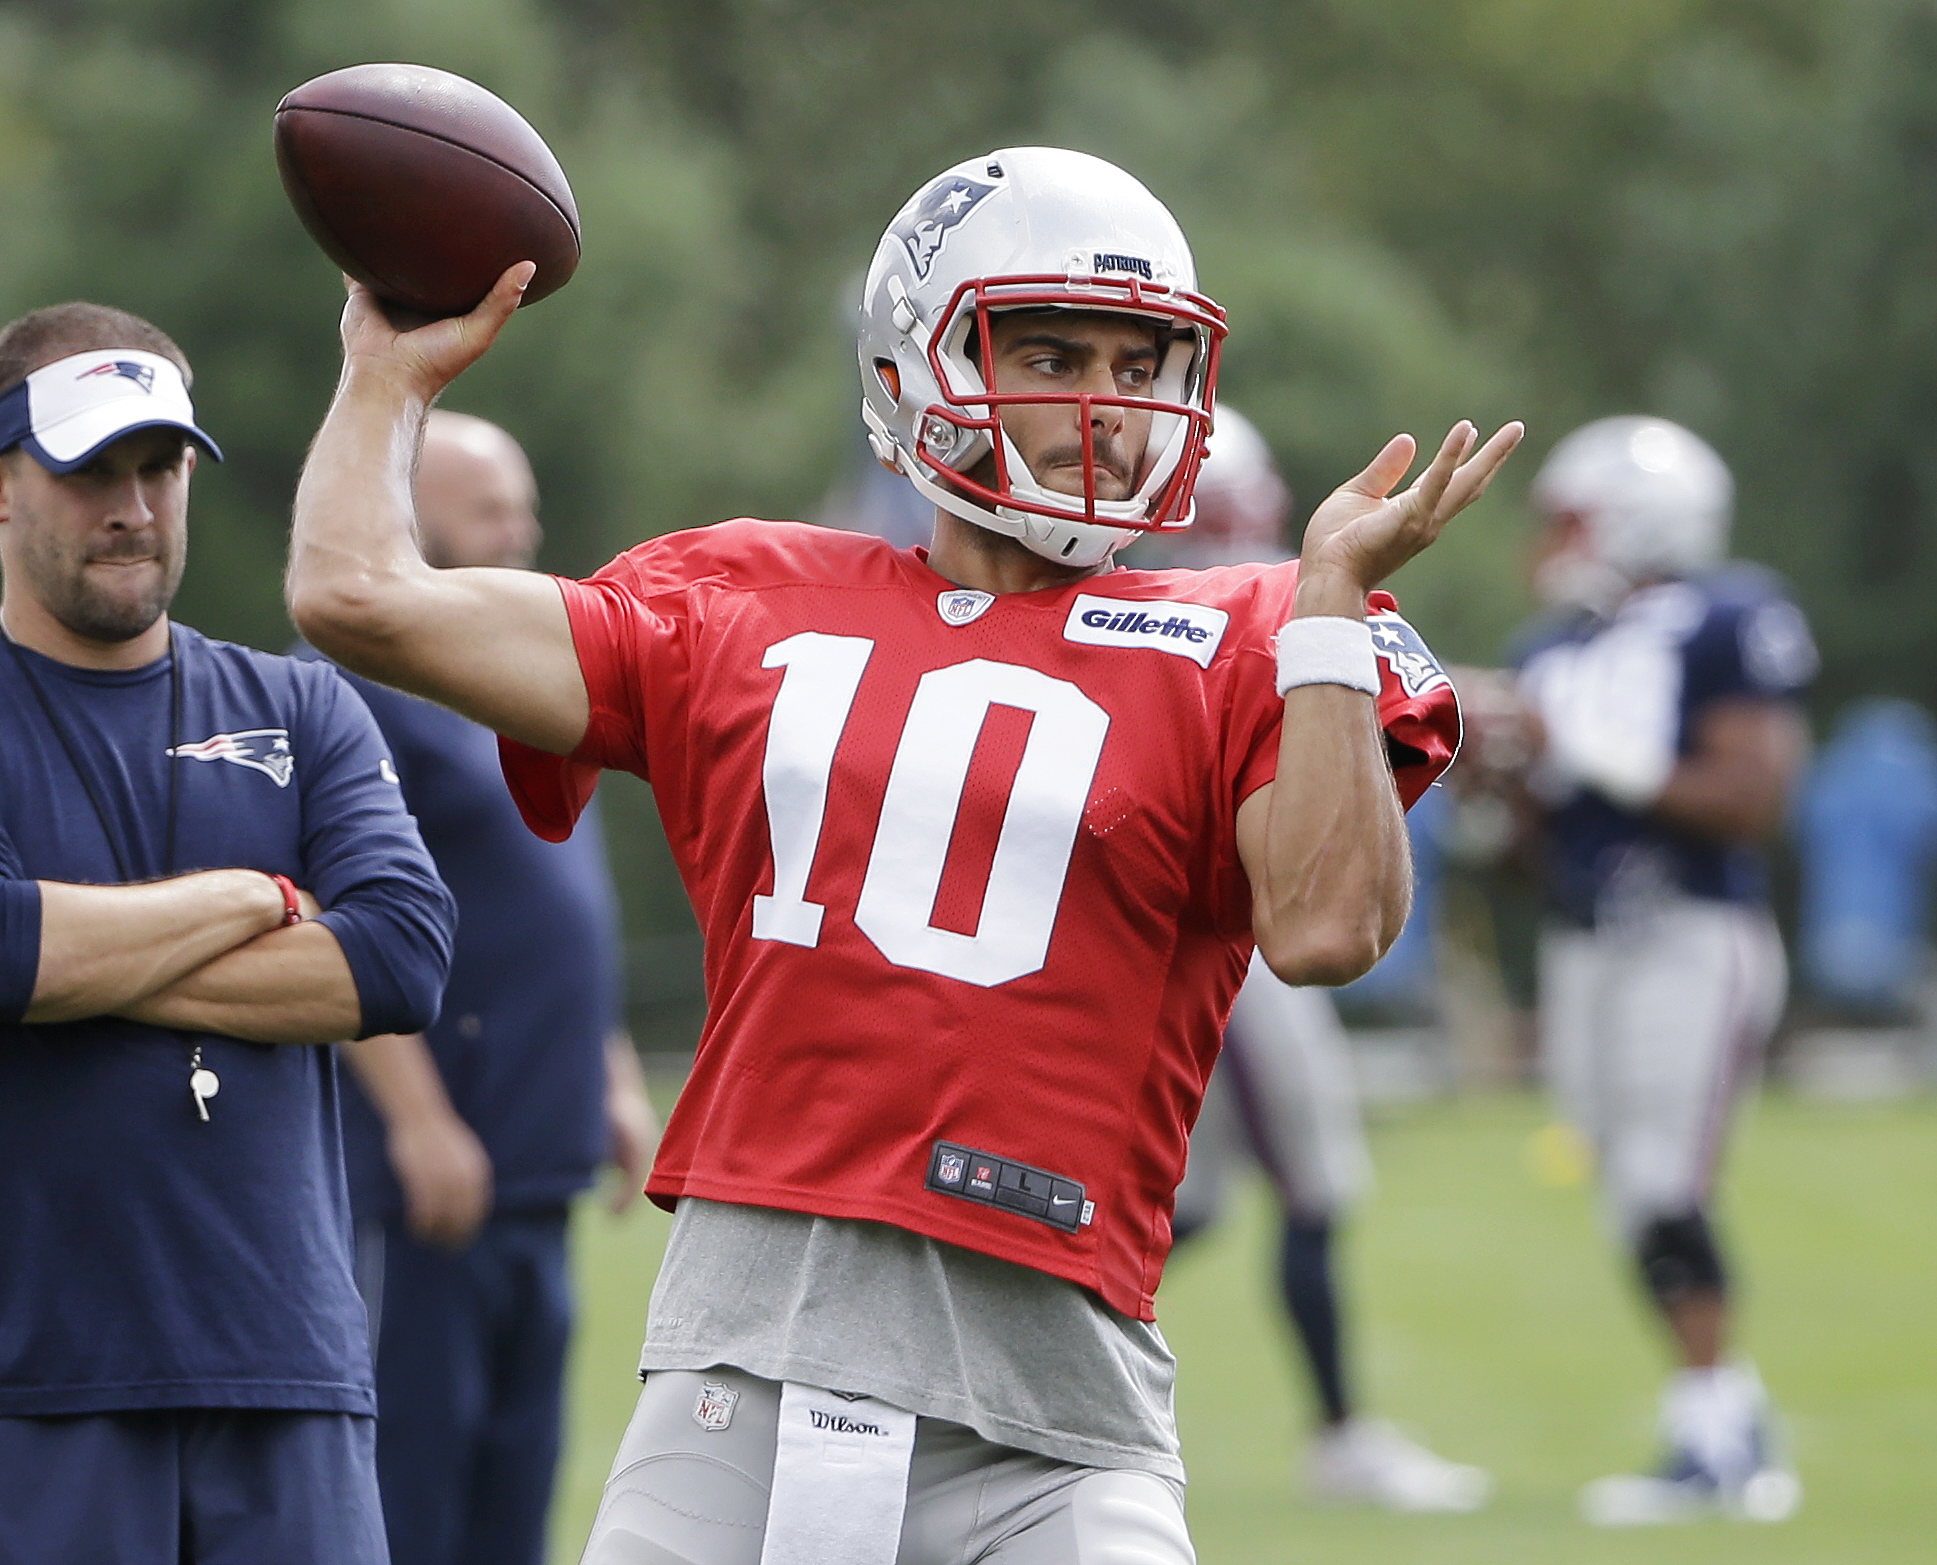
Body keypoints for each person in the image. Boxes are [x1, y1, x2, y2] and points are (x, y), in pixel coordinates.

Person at [289, 147, 1520, 1564]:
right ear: (906, 366)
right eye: (1050, 351)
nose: (1100, 409)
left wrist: (1327, 616)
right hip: (736, 1384)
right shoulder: (738, 597)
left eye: (1138, 365)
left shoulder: (1250, 635)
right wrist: (386, 372)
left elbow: (1326, 928)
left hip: (1057, 1424)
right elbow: (356, 593)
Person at [0, 302, 456, 1565]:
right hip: (13, 1386)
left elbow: (399, 957)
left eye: (159, 466)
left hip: (290, 1379)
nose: (135, 504)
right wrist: (262, 897)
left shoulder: (301, 703)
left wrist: (83, 961)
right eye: (90, 469)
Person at [311, 411, 659, 1565]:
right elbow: (332, 926)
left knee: (516, 1491)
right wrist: (416, 1122)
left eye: (524, 509)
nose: (520, 534)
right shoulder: (361, 690)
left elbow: (556, 906)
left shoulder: (531, 672)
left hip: (539, 1164)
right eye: (489, 512)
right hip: (432, 1175)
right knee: (411, 1493)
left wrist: (609, 1075)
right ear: (410, 517)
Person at [1150, 407, 1491, 1513]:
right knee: (1309, 1181)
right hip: (1227, 933)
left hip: (1198, 927)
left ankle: (1010, 1344)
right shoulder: (1200, 618)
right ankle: (1343, 1432)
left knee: (1186, 1203)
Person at [1509, 415, 1815, 1525]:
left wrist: (1602, 759)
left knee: (1661, 1185)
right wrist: (1506, 773)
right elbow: (1539, 834)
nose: (1550, 545)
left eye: (1572, 521)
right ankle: (1721, 1424)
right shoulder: (1557, 644)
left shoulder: (1731, 612)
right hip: (1588, 937)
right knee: (1626, 1195)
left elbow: (1751, 798)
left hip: (1692, 929)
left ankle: (1721, 1439)